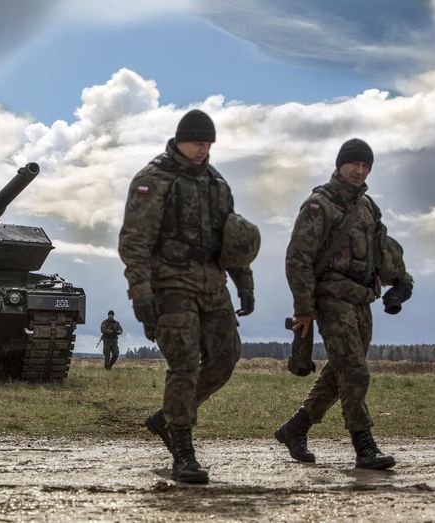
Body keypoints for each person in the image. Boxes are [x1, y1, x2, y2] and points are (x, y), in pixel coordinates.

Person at [118, 110, 258, 484]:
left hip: (213, 283)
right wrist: (141, 294)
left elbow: (233, 237)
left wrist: (244, 281)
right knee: (184, 364)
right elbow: (135, 242)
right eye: (198, 142)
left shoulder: (217, 183)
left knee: (226, 357)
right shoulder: (153, 179)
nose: (204, 149)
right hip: (170, 283)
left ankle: (166, 417)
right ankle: (183, 450)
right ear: (180, 140)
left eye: (209, 143)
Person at [275, 138, 413, 470]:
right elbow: (298, 258)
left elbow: (380, 253)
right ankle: (364, 446)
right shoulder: (319, 205)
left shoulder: (367, 207)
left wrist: (402, 282)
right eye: (354, 163)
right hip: (331, 299)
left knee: (339, 371)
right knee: (353, 370)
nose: (360, 170)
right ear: (340, 165)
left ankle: (296, 428)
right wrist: (304, 308)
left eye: (366, 165)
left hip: (361, 299)